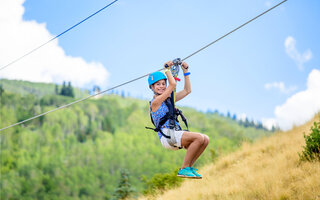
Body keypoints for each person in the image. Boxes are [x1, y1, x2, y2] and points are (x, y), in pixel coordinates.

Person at [148, 60, 209, 179]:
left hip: (174, 133)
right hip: (167, 135)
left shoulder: (168, 100)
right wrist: (166, 70)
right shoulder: (155, 103)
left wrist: (186, 72)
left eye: (163, 84)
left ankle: (188, 167)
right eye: (158, 84)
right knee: (199, 138)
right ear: (152, 87)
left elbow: (187, 90)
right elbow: (172, 85)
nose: (161, 86)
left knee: (205, 139)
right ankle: (184, 169)